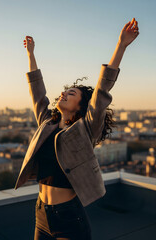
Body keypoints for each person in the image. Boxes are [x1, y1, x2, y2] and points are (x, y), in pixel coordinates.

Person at [16, 17, 139, 240]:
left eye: (71, 93)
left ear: (81, 106)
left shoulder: (85, 129)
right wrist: (31, 54)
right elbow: (37, 92)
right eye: (64, 91)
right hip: (41, 214)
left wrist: (121, 45)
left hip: (69, 219)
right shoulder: (47, 123)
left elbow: (102, 90)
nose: (63, 94)